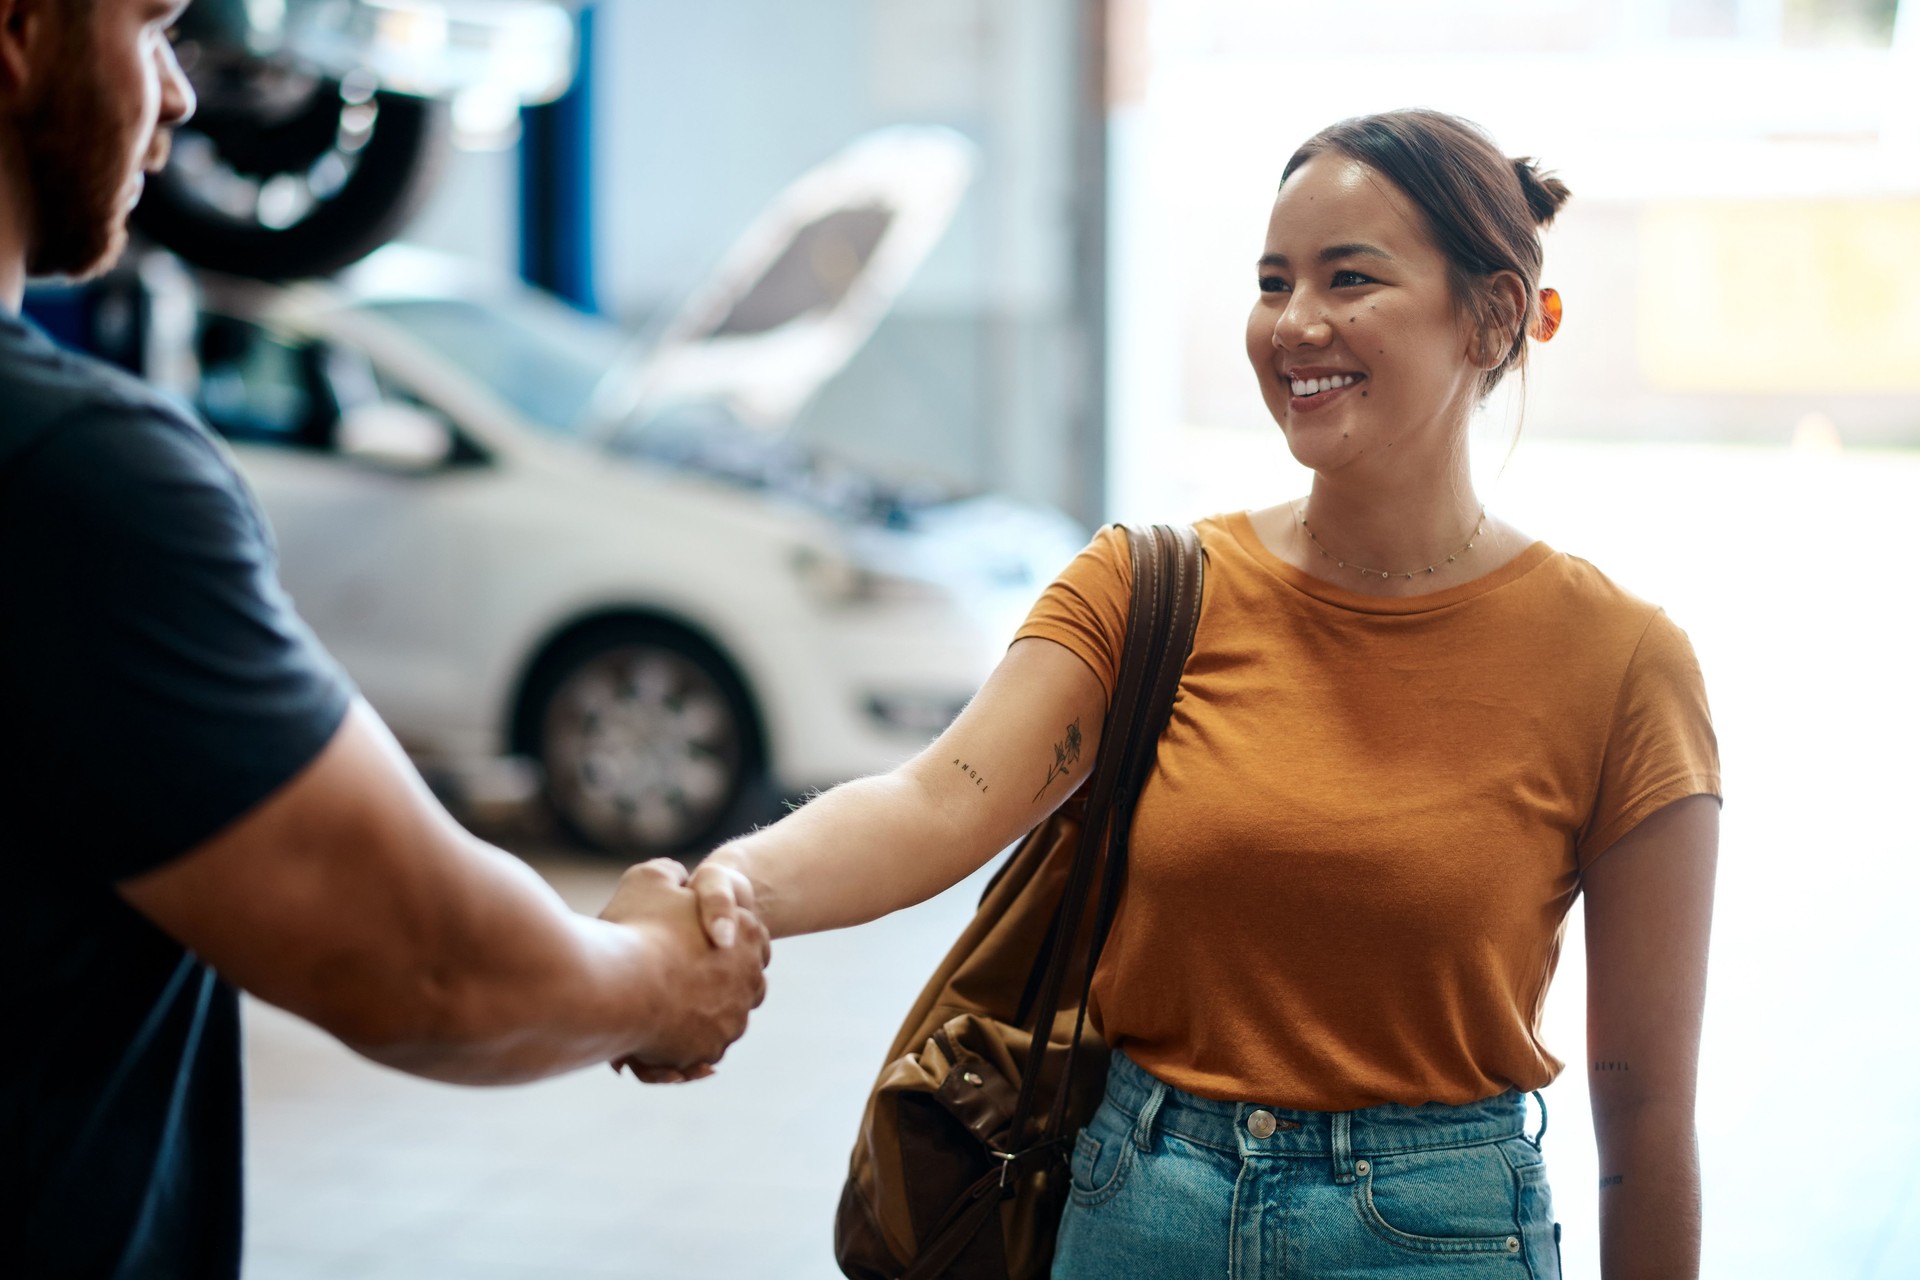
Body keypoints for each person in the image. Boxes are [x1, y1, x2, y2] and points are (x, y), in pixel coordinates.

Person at [685, 109, 1721, 1278]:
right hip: (1139, 1208)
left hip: (1438, 1235)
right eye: (1274, 281)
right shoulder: (1150, 589)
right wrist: (731, 883)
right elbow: (936, 802)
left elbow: (1644, 1116)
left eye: (1350, 278)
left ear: (1491, 316)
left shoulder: (1622, 662)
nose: (1295, 324)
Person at [0, 2, 770, 1276]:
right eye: (148, 30)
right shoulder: (71, 477)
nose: (184, 98)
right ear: (23, 31)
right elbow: (426, 963)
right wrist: (658, 975)